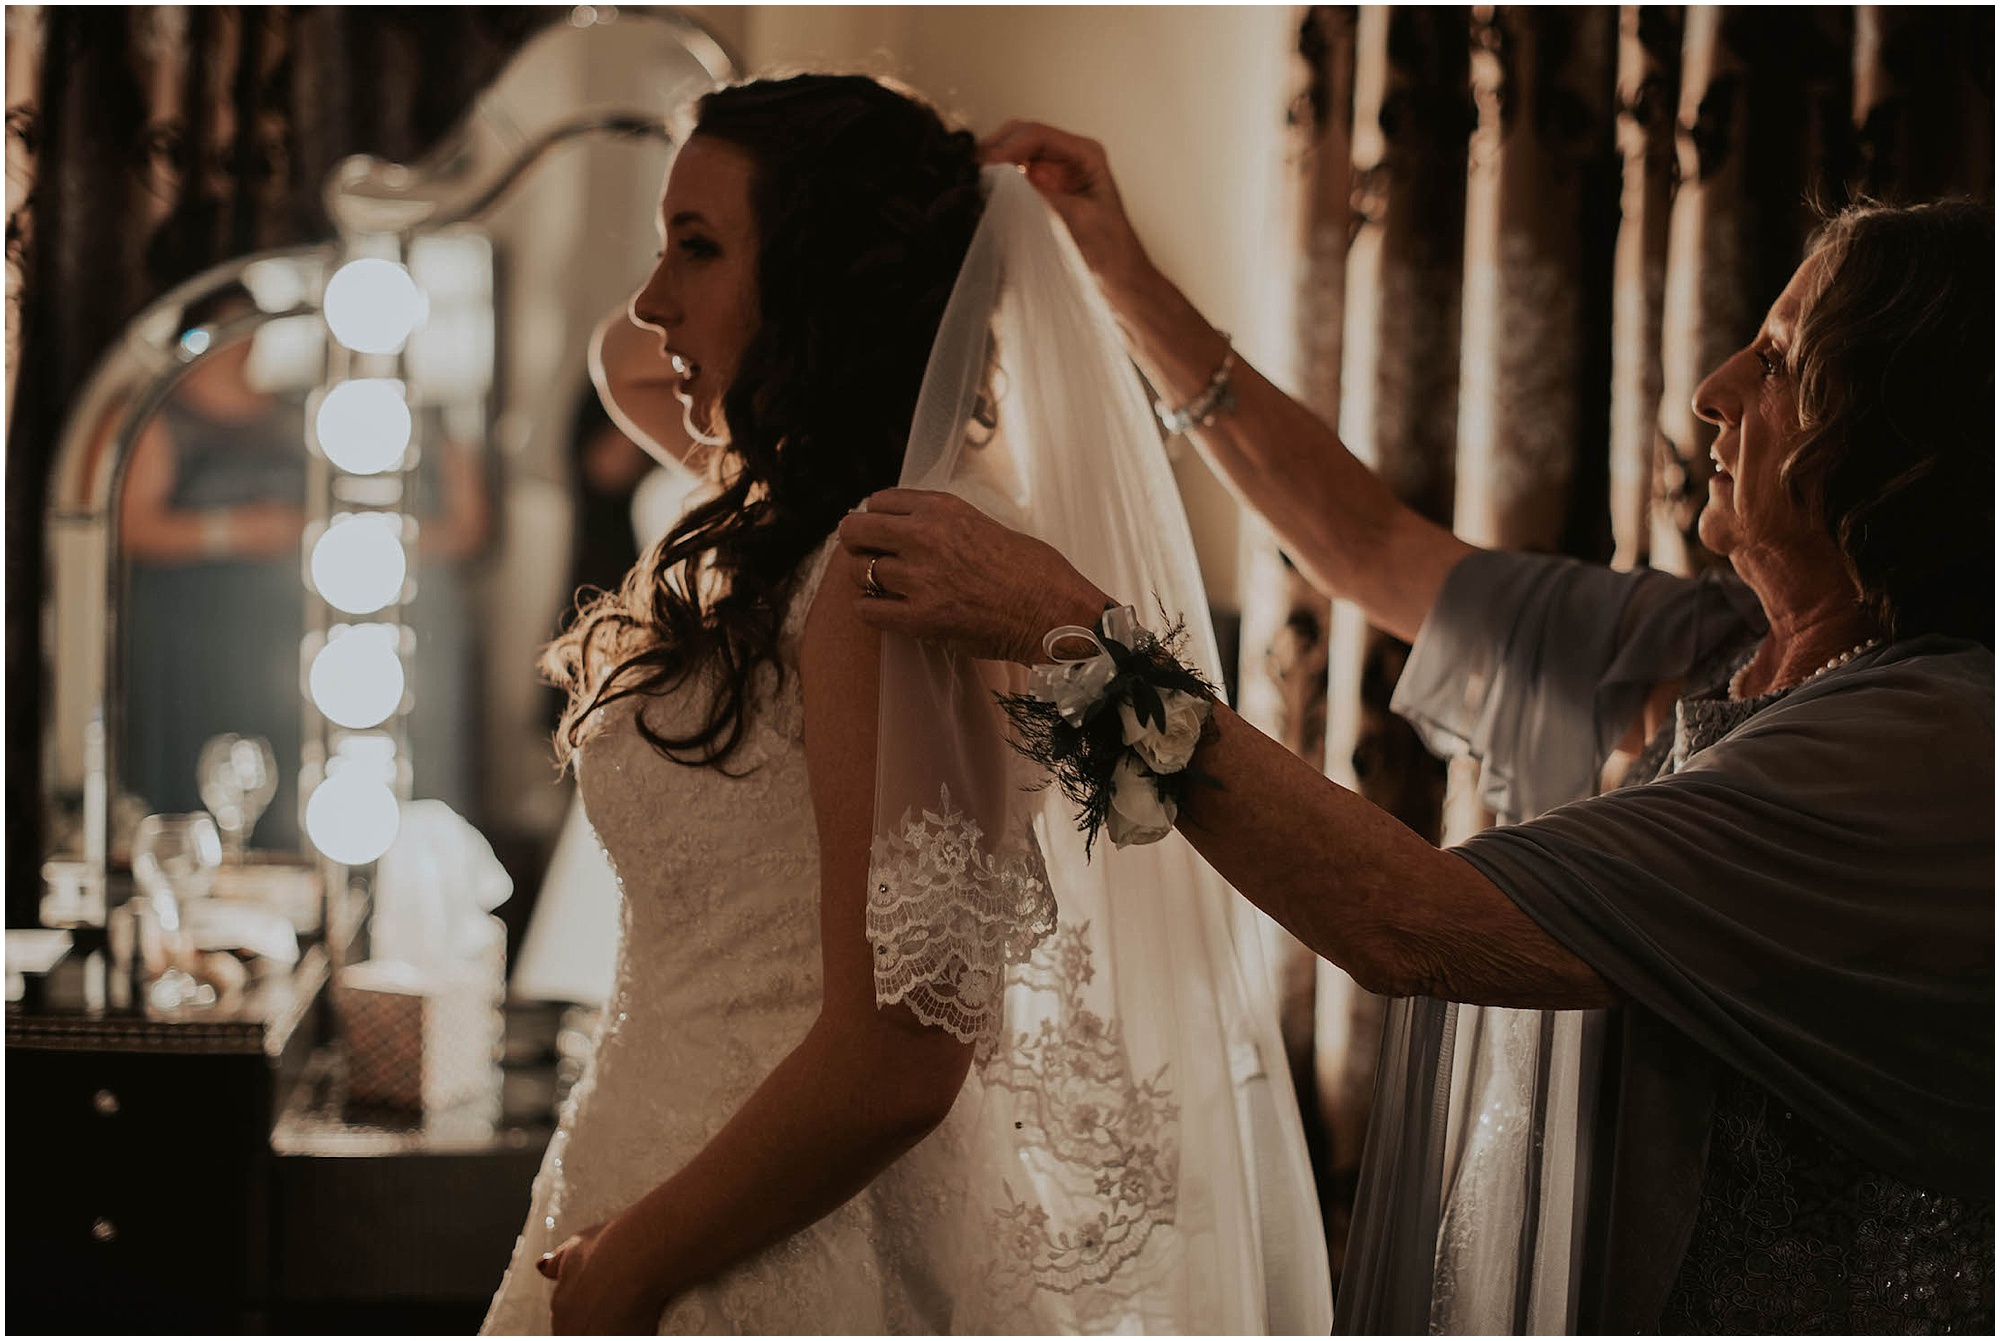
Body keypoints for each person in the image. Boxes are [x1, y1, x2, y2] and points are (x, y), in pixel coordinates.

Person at [837, 121, 1994, 1332]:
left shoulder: (1924, 747)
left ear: (1896, 436)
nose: (1710, 391)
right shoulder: (1704, 648)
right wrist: (1117, 271)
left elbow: (1418, 925)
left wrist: (1076, 637)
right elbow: (1369, 548)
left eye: (1777, 361)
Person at [481, 77, 1331, 1335]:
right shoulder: (788, 523)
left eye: (699, 250)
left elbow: (899, 1061)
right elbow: (627, 361)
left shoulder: (883, 573)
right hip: (650, 1160)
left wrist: (633, 1267)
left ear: (820, 279)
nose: (652, 302)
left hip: (758, 1238)